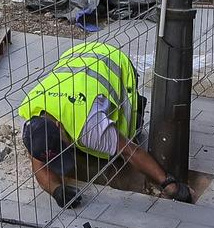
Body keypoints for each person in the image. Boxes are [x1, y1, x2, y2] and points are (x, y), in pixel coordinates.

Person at [18, 41, 191, 205]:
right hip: (77, 54)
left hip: (114, 60)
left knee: (127, 128)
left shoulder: (90, 126)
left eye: (63, 147)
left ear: (58, 126)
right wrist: (58, 192)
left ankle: (135, 107)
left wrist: (169, 184)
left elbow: (131, 151)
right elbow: (38, 165)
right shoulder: (33, 126)